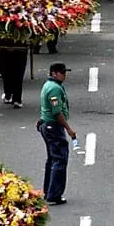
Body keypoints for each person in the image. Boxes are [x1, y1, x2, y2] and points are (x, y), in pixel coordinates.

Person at [38, 62, 75, 205]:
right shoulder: (54, 89)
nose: (64, 75)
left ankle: (49, 191)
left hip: (47, 125)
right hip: (53, 127)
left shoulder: (49, 85)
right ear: (53, 73)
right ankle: (54, 194)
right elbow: (56, 112)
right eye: (61, 73)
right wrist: (68, 129)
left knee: (52, 159)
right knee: (59, 159)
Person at [0, 33, 28, 107]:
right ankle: (16, 98)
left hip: (4, 43)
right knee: (18, 70)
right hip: (19, 43)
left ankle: (9, 94)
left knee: (5, 69)